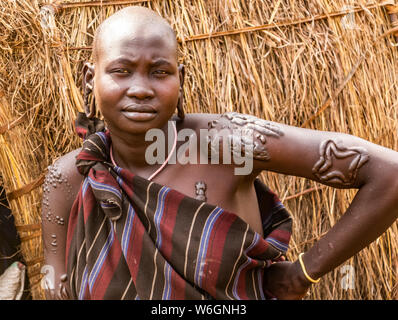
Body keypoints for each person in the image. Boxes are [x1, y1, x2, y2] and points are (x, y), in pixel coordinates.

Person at [41, 6, 398, 300]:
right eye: (121, 71)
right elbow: (57, 290)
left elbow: (389, 173)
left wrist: (301, 275)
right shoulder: (70, 179)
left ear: (180, 79)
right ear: (90, 79)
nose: (140, 89)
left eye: (159, 72)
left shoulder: (227, 144)